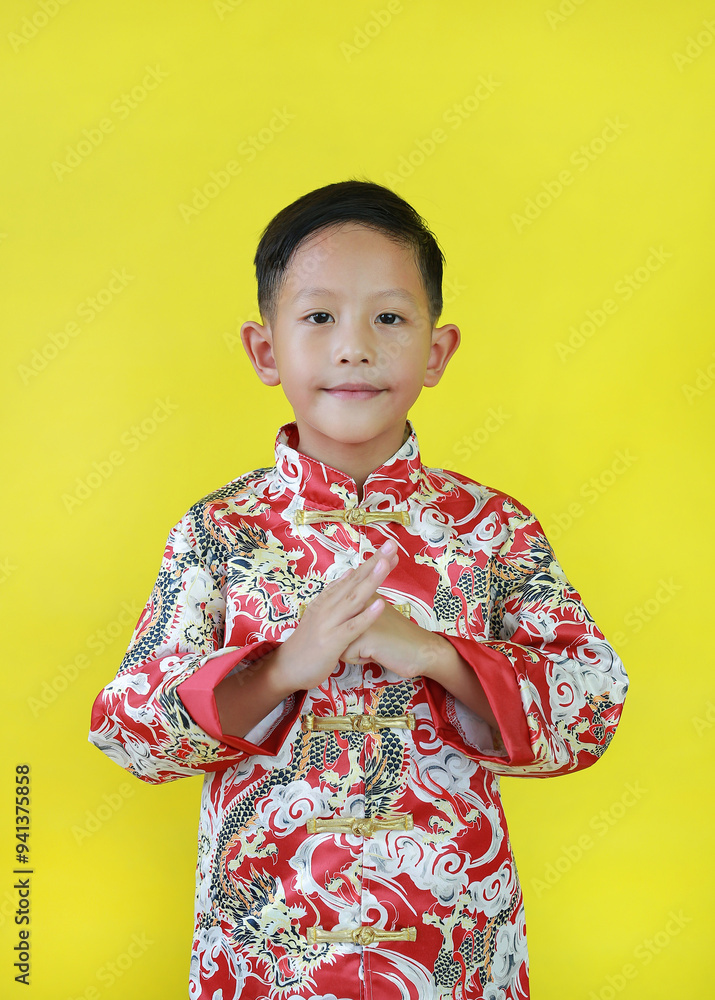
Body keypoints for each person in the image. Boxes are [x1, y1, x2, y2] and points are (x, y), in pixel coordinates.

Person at [88, 179, 629, 1000]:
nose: (354, 347)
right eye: (317, 317)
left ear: (436, 351)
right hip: (268, 951)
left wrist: (439, 656)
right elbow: (130, 733)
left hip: (453, 945)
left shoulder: (493, 529)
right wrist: (279, 668)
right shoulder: (219, 533)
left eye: (389, 317)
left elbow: (593, 708)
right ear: (265, 350)